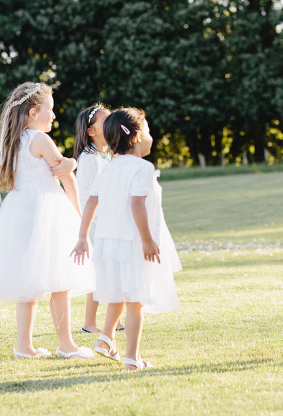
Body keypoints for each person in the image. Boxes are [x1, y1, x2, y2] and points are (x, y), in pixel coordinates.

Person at [0, 81, 95, 359]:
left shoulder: (11, 141)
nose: (54, 115)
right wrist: (76, 208)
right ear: (32, 113)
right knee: (59, 280)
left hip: (20, 211)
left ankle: (24, 347)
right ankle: (66, 345)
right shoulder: (40, 139)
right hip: (47, 210)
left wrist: (70, 164)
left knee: (29, 284)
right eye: (50, 109)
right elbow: (66, 176)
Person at [71, 107, 181, 370]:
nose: (151, 136)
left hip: (108, 243)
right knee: (135, 302)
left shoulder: (108, 168)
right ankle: (132, 358)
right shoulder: (142, 167)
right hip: (132, 242)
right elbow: (137, 205)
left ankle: (106, 339)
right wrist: (147, 240)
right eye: (149, 130)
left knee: (118, 295)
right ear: (138, 136)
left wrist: (83, 236)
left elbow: (91, 202)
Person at [72, 104, 125, 333]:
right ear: (91, 131)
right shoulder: (89, 158)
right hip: (96, 223)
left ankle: (115, 318)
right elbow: (86, 196)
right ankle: (89, 323)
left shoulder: (110, 155)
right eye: (105, 122)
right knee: (98, 273)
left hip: (111, 220)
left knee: (114, 269)